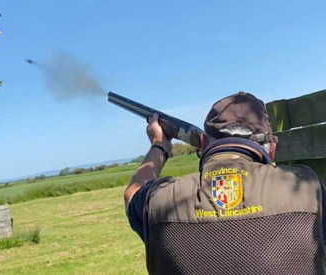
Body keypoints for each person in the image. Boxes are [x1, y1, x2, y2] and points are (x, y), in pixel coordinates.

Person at [125, 92, 326, 274]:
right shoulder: (310, 188)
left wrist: (159, 145)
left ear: (203, 144)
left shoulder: (157, 201)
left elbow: (132, 193)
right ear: (271, 148)